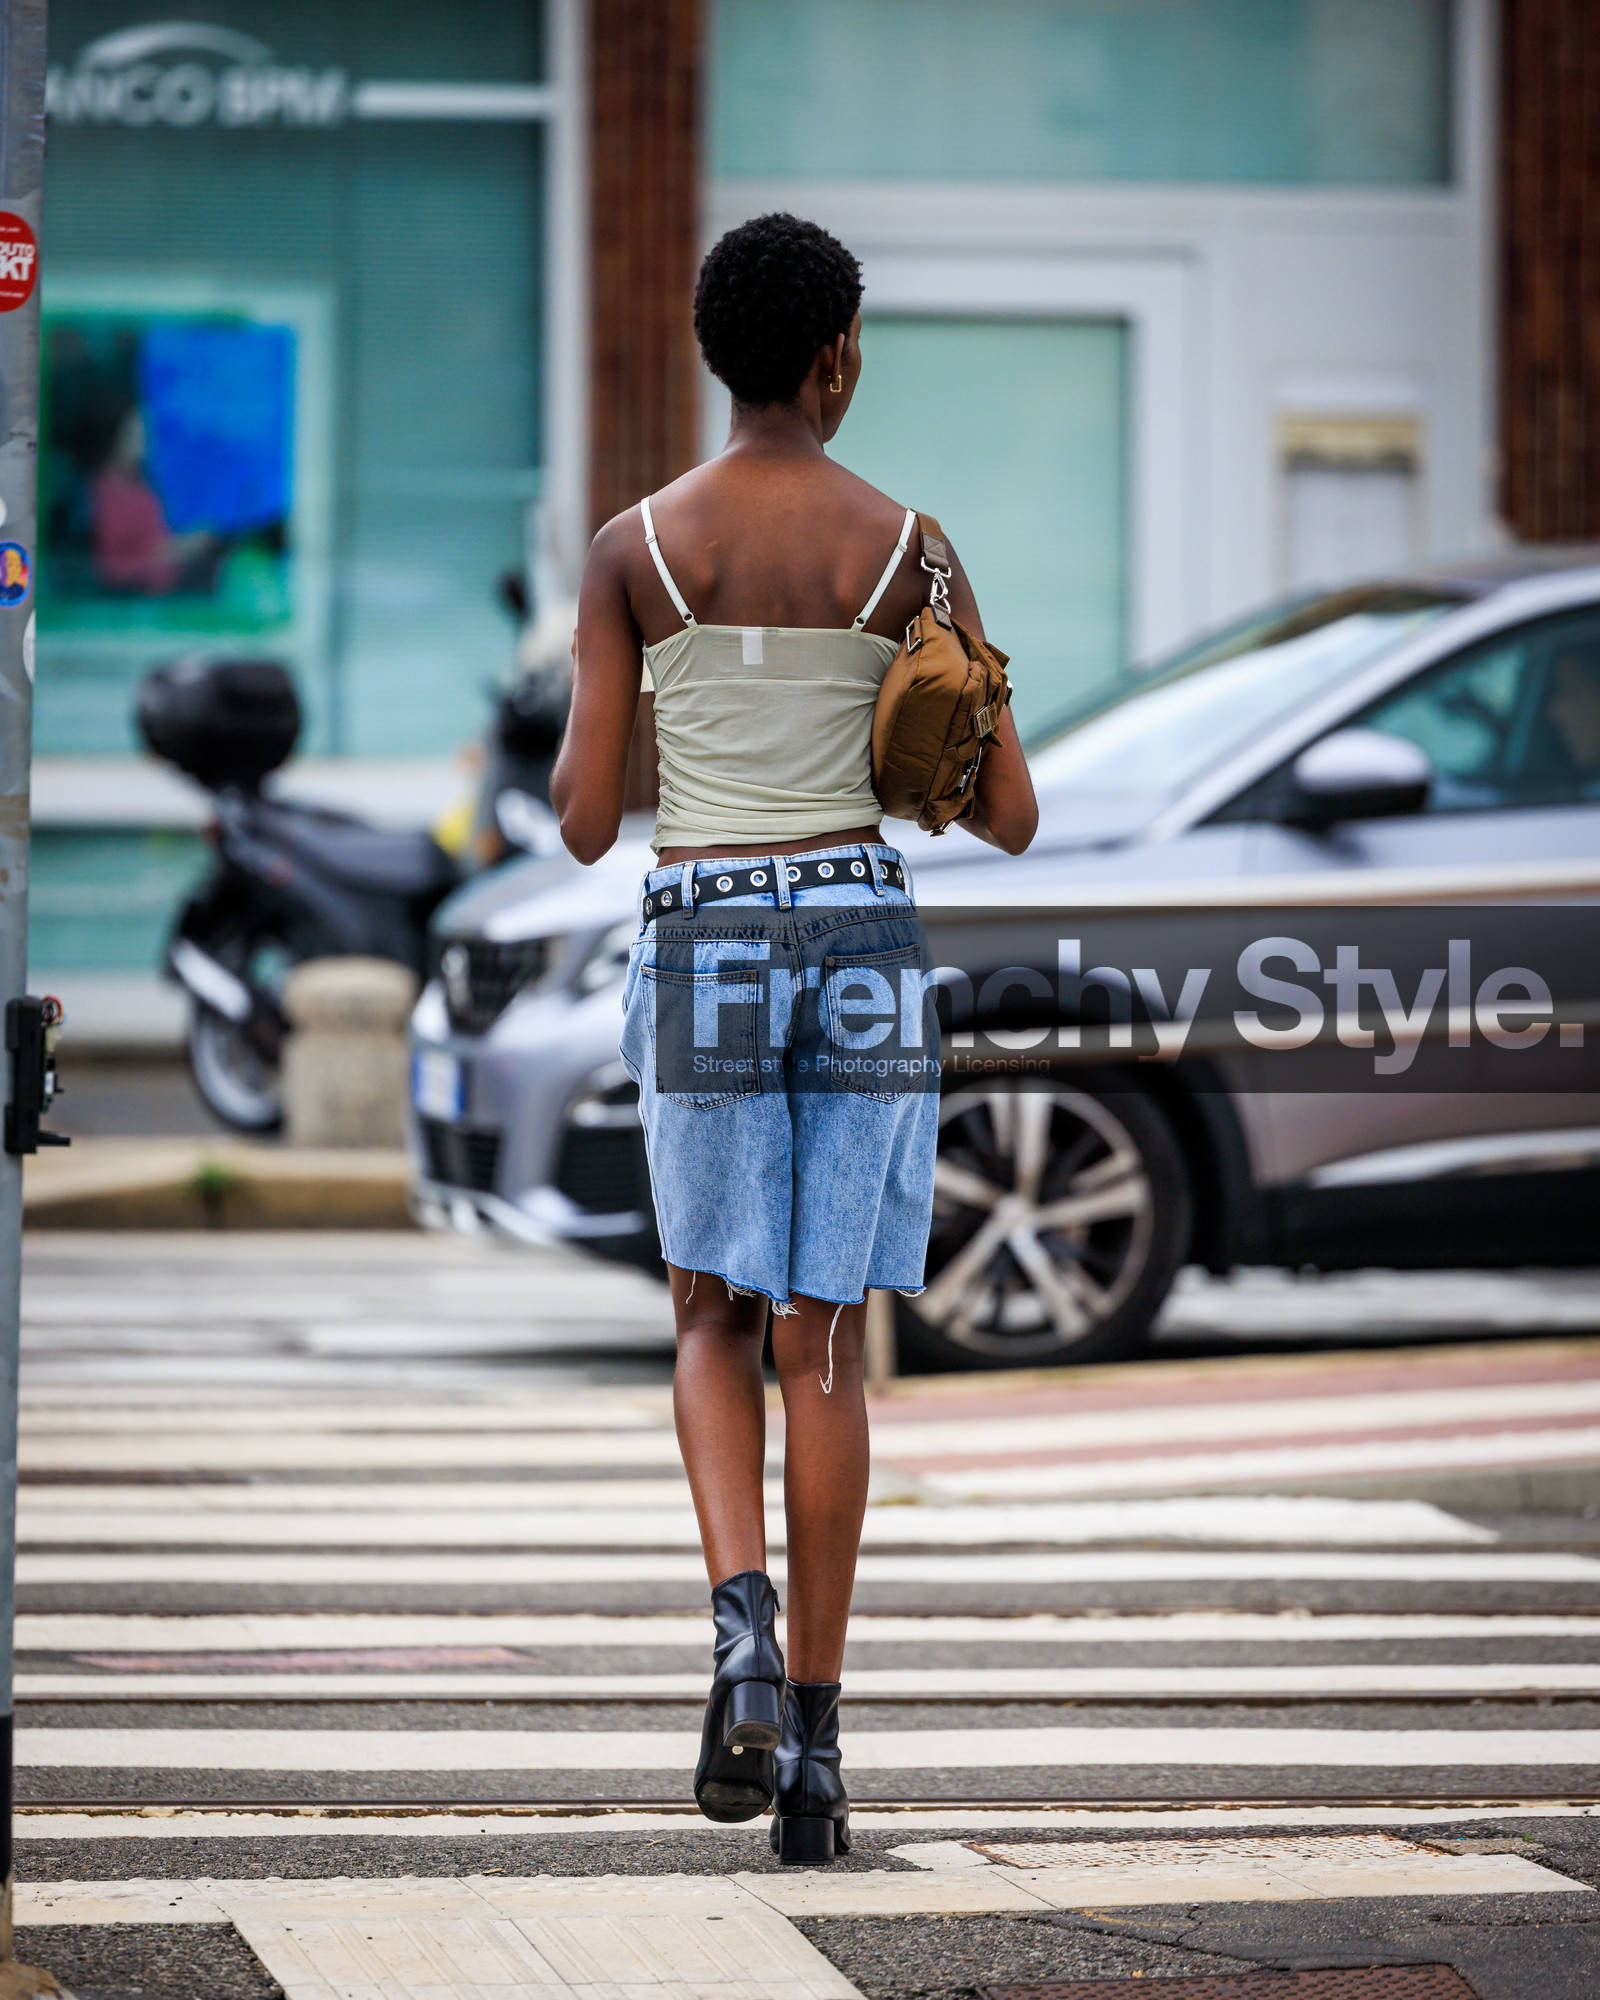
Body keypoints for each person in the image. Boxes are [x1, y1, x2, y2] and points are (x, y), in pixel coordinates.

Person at [551, 212, 1038, 1862]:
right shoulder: (916, 551)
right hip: (864, 936)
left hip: (705, 930)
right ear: (838, 354)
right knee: (821, 1338)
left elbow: (584, 821)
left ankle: (739, 1637)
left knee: (711, 1311)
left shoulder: (633, 549)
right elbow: (1013, 816)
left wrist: (657, 700)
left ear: (717, 355)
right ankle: (818, 1761)